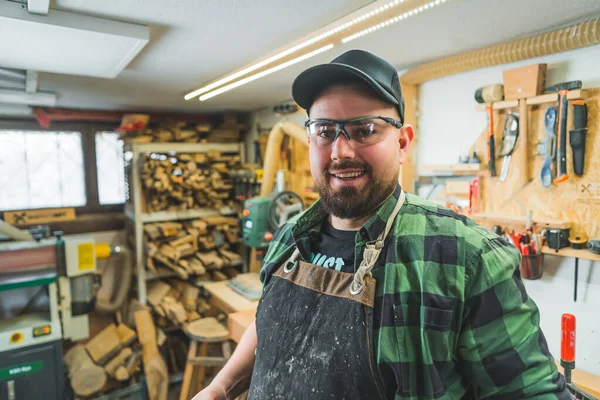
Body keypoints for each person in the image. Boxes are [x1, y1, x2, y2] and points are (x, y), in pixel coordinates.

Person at [195, 49, 570, 399]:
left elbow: (534, 392)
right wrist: (219, 388)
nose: (341, 151)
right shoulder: (289, 237)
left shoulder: (465, 258)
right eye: (325, 131)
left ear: (403, 143)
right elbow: (270, 326)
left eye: (365, 130)